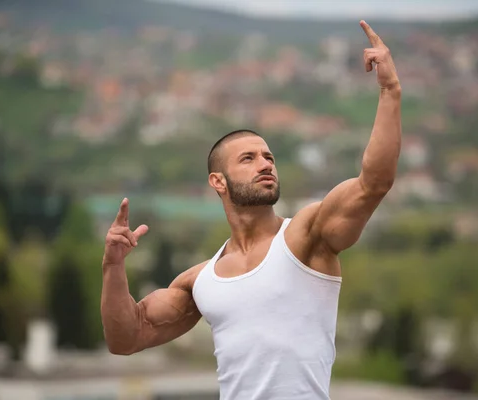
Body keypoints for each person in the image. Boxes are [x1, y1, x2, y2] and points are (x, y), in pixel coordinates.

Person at [101, 20, 401, 400]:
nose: (265, 164)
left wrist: (390, 90)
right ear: (218, 181)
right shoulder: (200, 281)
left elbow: (373, 184)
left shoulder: (307, 236)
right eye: (248, 158)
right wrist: (112, 267)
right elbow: (126, 338)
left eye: (269, 157)